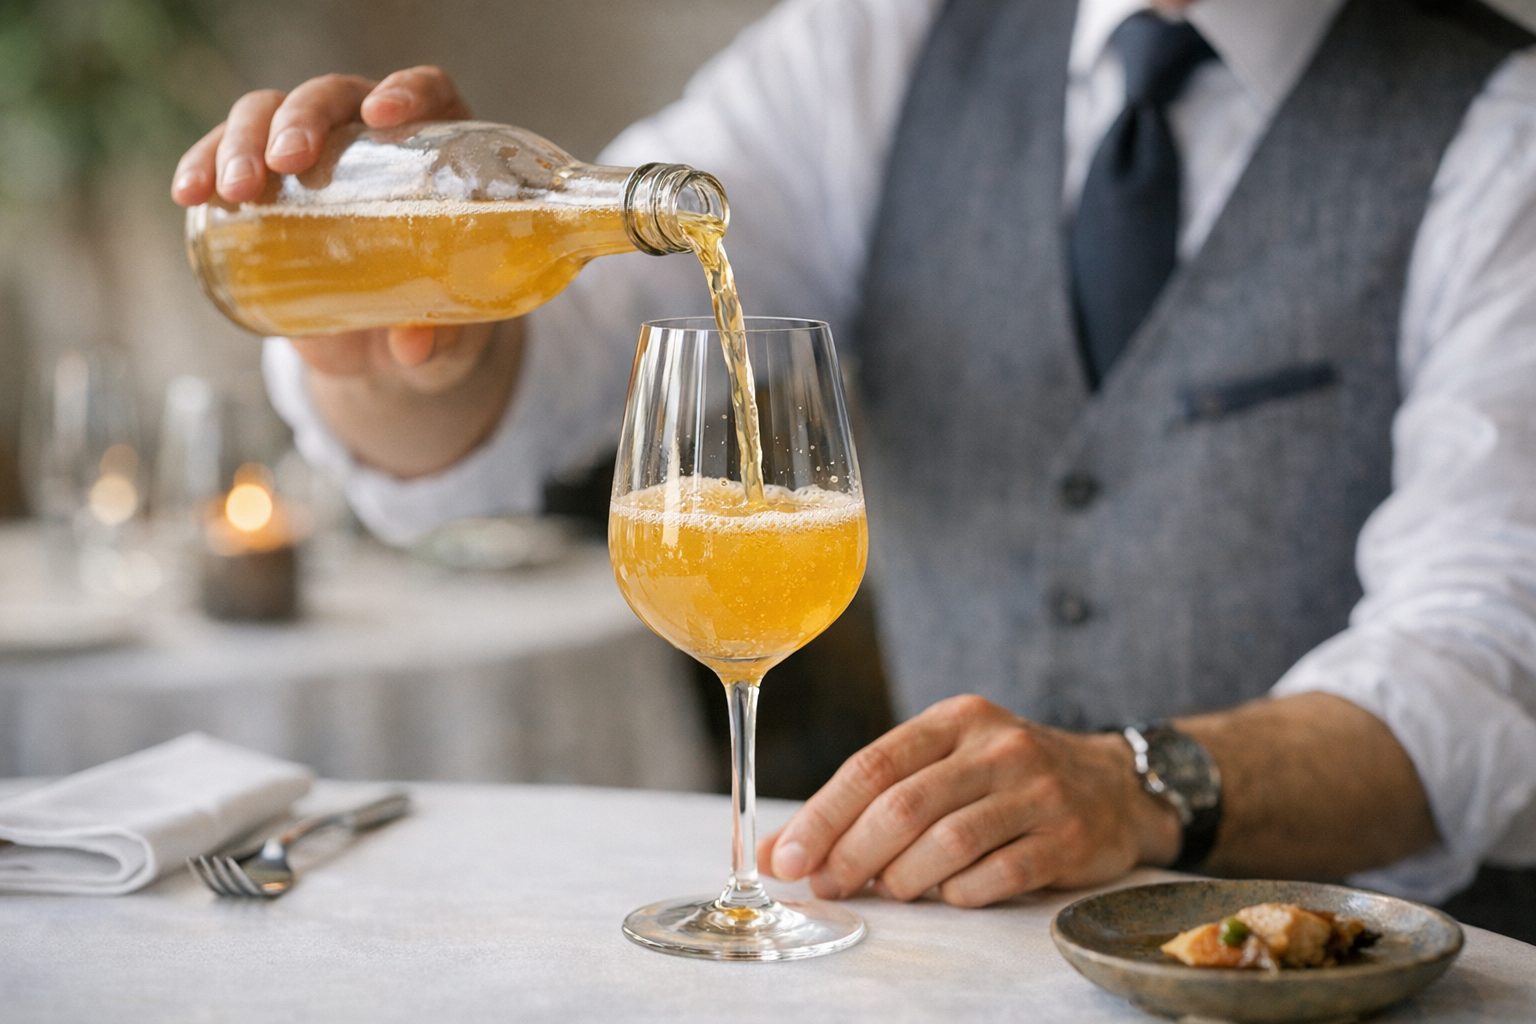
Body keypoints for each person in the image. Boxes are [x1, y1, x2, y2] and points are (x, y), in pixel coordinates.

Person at [172, 0, 1536, 938]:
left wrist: (1142, 782)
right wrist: (399, 351)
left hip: (1363, 976)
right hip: (960, 969)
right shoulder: (884, 42)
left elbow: (1488, 662)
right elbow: (557, 364)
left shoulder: (1498, 127)